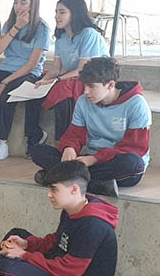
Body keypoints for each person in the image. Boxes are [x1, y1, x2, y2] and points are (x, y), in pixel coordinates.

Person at [0, 161, 119, 276]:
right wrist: (27, 244)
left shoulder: (93, 225)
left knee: (6, 267)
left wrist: (24, 255)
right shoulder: (73, 207)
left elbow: (69, 270)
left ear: (74, 189)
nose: (49, 194)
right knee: (17, 234)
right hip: (62, 262)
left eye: (54, 189)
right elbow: (57, 240)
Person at [29, 57, 150, 198]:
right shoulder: (83, 101)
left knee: (132, 163)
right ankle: (96, 184)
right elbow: (74, 133)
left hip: (114, 163)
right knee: (37, 150)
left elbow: (135, 147)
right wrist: (69, 147)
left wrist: (95, 159)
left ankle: (59, 177)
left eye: (92, 86)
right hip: (89, 160)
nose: (86, 91)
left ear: (110, 85)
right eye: (84, 85)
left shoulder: (136, 104)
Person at [0, 0, 50, 161]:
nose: (18, 6)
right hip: (5, 69)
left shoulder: (42, 28)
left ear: (33, 4)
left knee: (7, 96)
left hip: (28, 73)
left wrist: (4, 82)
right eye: (16, 2)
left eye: (23, 2)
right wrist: (16, 27)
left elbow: (32, 64)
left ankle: (2, 142)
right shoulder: (10, 24)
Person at [34, 0, 107, 140]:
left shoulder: (88, 34)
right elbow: (56, 68)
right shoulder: (61, 38)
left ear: (75, 13)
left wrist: (57, 80)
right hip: (71, 75)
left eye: (62, 12)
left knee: (63, 90)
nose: (56, 16)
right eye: (56, 12)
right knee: (35, 84)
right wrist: (43, 80)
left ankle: (65, 139)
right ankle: (35, 134)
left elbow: (83, 69)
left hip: (94, 76)